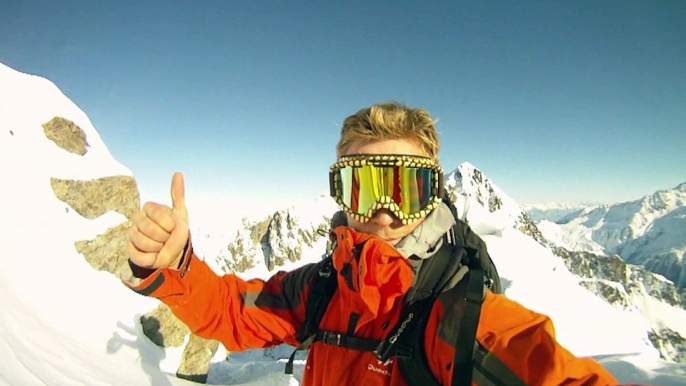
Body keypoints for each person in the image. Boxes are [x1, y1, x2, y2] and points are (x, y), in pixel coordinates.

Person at [124, 102, 618, 386]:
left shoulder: (463, 318)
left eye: (407, 188)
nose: (384, 211)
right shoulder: (322, 287)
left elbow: (548, 368)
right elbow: (234, 308)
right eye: (364, 187)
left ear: (433, 197)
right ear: (340, 195)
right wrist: (180, 267)